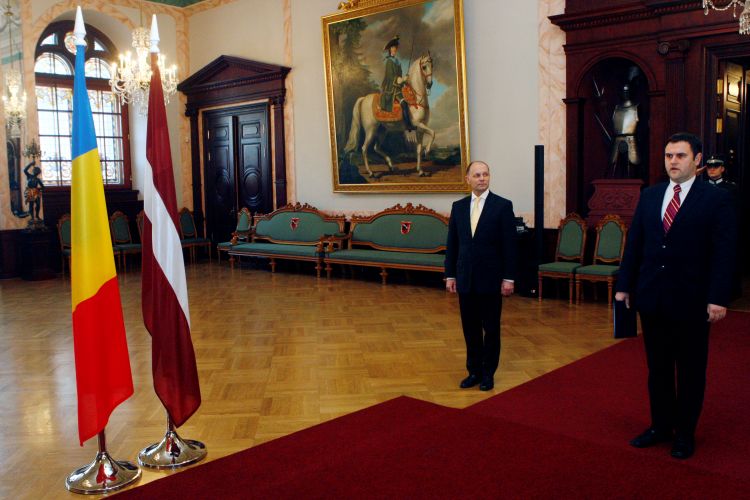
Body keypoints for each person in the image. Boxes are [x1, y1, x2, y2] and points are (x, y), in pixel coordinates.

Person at [615, 132, 737, 460]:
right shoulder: (651, 195)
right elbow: (635, 244)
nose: (673, 161)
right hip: (652, 298)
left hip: (692, 301)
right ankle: (660, 426)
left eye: (680, 156)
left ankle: (684, 434)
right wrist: (624, 285)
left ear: (697, 160)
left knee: (690, 371)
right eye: (669, 156)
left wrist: (718, 297)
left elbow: (724, 253)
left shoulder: (716, 199)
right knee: (658, 369)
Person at [445, 161, 517, 391]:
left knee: (491, 329)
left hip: (491, 279)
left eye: (485, 174)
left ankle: (488, 373)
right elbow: (453, 244)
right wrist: (450, 275)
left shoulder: (502, 206)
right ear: (468, 179)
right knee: (470, 329)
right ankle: (473, 371)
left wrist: (509, 278)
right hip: (465, 278)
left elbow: (510, 246)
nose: (482, 178)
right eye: (477, 175)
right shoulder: (458, 207)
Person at [379, 35, 414, 131]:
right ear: (390, 49)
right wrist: (399, 79)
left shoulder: (397, 61)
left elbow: (400, 75)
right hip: (391, 88)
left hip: (398, 87)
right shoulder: (389, 61)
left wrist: (404, 79)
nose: (394, 49)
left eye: (395, 48)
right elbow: (390, 76)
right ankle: (408, 125)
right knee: (404, 104)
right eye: (393, 48)